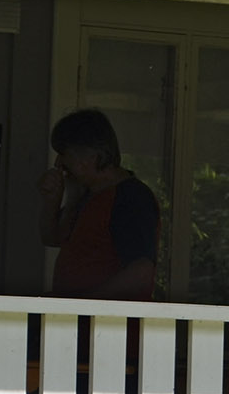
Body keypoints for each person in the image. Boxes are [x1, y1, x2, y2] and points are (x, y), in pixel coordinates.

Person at [37, 109, 160, 299]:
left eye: (64, 154)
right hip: (76, 322)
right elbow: (52, 237)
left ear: (91, 157)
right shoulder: (87, 194)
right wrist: (53, 199)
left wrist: (84, 304)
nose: (59, 163)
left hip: (108, 325)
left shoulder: (129, 197)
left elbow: (141, 273)